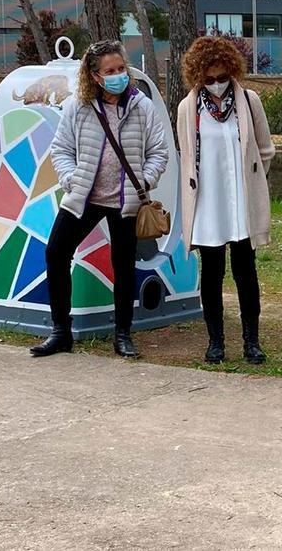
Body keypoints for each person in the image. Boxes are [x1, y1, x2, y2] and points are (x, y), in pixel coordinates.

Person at [33, 39, 169, 359]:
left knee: (123, 266)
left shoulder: (142, 106)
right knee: (56, 253)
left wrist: (145, 181)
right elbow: (61, 149)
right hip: (86, 196)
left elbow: (159, 152)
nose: (118, 75)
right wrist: (70, 179)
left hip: (126, 202)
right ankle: (61, 332)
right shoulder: (78, 107)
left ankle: (123, 335)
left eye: (122, 68)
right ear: (95, 76)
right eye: (110, 71)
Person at [176, 36, 276, 364]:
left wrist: (254, 177)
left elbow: (265, 148)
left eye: (222, 77)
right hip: (208, 200)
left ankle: (252, 340)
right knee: (212, 271)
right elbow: (187, 156)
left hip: (241, 198)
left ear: (231, 71)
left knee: (246, 270)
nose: (217, 84)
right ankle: (215, 341)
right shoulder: (188, 108)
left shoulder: (249, 101)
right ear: (198, 77)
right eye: (209, 79)